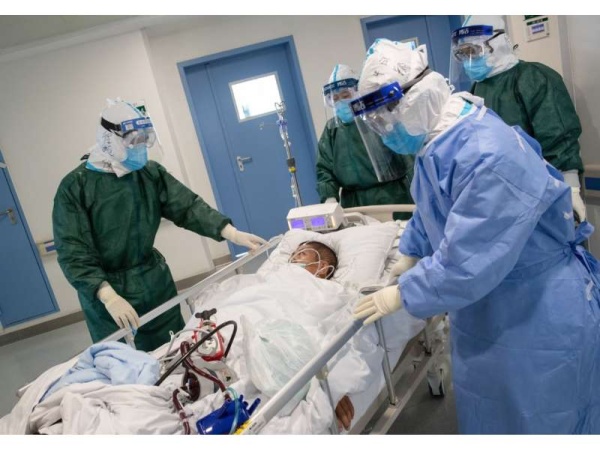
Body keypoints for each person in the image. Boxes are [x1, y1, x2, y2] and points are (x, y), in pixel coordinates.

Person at [351, 39, 600, 433]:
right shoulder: (442, 141)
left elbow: (467, 260)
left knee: (545, 420)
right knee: (495, 417)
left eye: (384, 118)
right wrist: (410, 252)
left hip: (535, 315)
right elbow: (434, 208)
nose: (384, 132)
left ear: (415, 100)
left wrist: (403, 293)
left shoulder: (486, 154)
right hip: (492, 309)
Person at [53, 99, 267, 352]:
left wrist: (230, 232)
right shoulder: (76, 187)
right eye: (134, 140)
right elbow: (73, 251)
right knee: (127, 361)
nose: (140, 147)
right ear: (110, 139)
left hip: (154, 281)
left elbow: (187, 206)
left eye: (145, 139)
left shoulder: (149, 173)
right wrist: (106, 295)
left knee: (175, 351)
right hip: (110, 295)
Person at [451, 15, 586, 221]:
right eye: (463, 54)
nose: (469, 60)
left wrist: (572, 187)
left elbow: (559, 136)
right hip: (502, 196)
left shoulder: (534, 78)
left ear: (497, 44)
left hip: (545, 189)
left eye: (473, 51)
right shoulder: (477, 88)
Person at [316, 64, 414, 219]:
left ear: (357, 92)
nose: (340, 102)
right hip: (354, 203)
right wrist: (329, 197)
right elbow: (324, 169)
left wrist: (420, 188)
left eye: (345, 95)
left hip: (393, 196)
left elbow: (407, 156)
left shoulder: (377, 117)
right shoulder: (332, 130)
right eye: (335, 98)